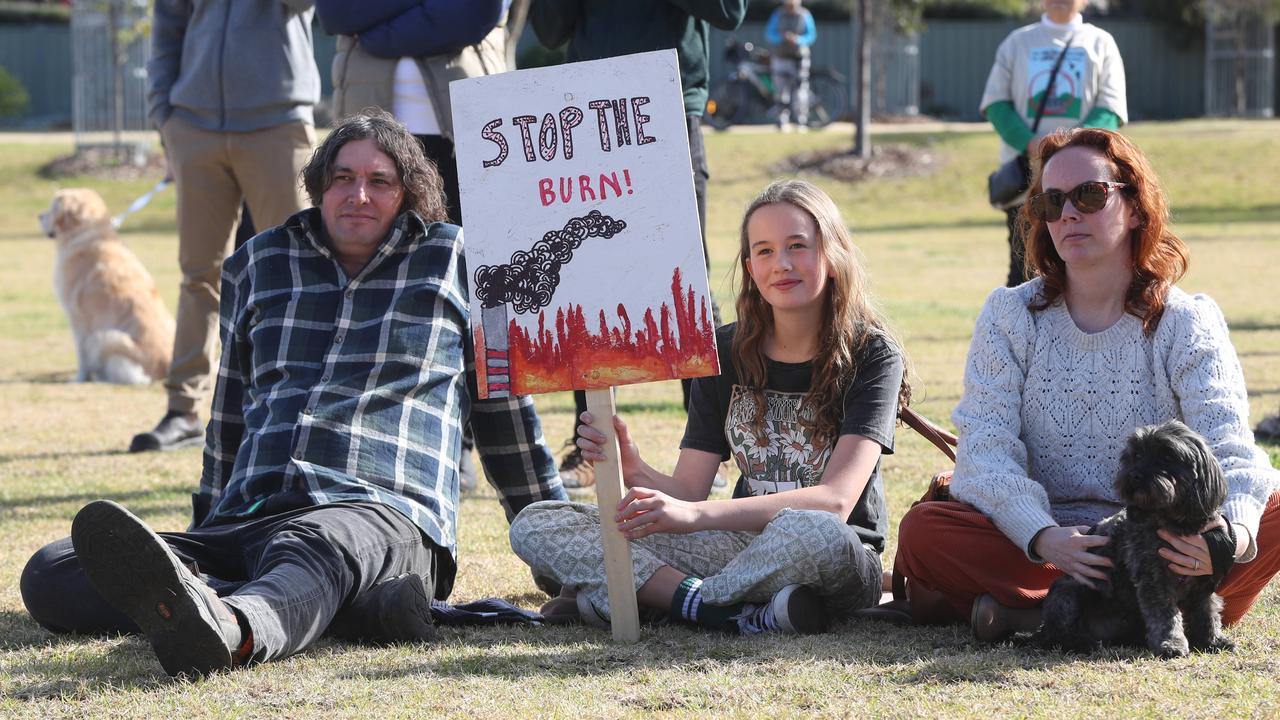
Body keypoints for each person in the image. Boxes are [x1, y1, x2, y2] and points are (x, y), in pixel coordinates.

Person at [19, 110, 566, 678]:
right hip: (250, 517)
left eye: (380, 181)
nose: (359, 195)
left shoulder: (465, 263)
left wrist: (564, 561)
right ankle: (352, 609)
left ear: (409, 191)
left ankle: (238, 630)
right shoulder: (259, 263)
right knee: (54, 570)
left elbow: (507, 416)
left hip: (378, 513)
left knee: (316, 546)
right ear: (319, 185)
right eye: (342, 178)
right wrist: (204, 532)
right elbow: (229, 415)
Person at [894, 128, 1280, 642]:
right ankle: (1111, 620)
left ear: (1136, 206)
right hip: (1051, 547)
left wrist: (1230, 536)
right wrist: (1042, 535)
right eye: (1052, 202)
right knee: (926, 534)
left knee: (1271, 514)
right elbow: (985, 450)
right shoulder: (1010, 316)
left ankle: (1040, 619)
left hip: (1164, 545)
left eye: (1089, 195)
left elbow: (1231, 447)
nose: (1069, 213)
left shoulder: (1186, 321)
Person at [509, 179, 909, 634]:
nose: (781, 263)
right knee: (538, 522)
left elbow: (834, 503)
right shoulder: (727, 350)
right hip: (732, 545)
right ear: (749, 267)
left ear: (832, 256)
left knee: (815, 533)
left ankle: (651, 595)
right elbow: (688, 491)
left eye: (798, 246)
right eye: (764, 251)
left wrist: (693, 518)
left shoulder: (872, 355)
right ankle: (731, 608)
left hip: (832, 552)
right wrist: (633, 468)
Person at [528, 0, 747, 491]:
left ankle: (709, 451)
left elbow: (728, 12)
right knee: (583, 283)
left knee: (685, 286)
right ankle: (592, 448)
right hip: (588, 112)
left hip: (667, 107)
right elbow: (548, 29)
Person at [316, 0, 515, 492]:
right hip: (373, 146)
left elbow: (475, 13)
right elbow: (337, 14)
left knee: (480, 296)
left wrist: (380, 31)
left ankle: (465, 446)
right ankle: (377, 436)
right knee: (383, 296)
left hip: (466, 130)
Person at [129, 0, 319, 452]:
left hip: (277, 120)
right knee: (199, 274)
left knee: (298, 270)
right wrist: (165, 114)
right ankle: (184, 409)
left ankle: (298, 406)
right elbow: (168, 26)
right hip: (194, 127)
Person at [980, 0, 1126, 288]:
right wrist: (1031, 144)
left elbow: (1110, 109)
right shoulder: (1017, 43)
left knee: (1080, 272)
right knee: (1025, 273)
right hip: (1027, 184)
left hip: (1085, 189)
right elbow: (996, 104)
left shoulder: (1101, 43)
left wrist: (1073, 146)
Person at [765, 0, 816, 132]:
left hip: (799, 57)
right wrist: (781, 37)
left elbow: (811, 35)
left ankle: (801, 120)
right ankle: (782, 121)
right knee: (781, 91)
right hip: (780, 57)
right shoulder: (778, 14)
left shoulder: (805, 14)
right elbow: (769, 34)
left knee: (800, 91)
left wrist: (798, 39)